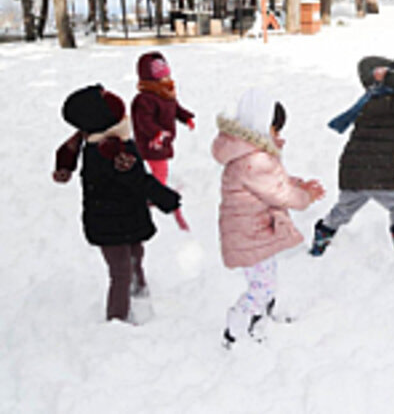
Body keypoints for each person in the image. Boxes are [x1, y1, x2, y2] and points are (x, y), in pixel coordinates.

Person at [53, 84, 181, 323]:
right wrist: (165, 198)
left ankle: (140, 295)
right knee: (121, 270)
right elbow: (138, 179)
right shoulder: (111, 150)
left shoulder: (103, 139)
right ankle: (117, 320)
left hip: (124, 215)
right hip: (109, 222)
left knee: (135, 255)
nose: (125, 116)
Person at [212, 88, 325, 347]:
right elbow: (279, 193)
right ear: (261, 125)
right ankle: (235, 328)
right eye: (276, 130)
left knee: (266, 282)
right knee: (260, 288)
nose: (278, 136)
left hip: (254, 231)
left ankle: (257, 322)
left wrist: (300, 185)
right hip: (249, 235)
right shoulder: (253, 160)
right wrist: (304, 196)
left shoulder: (250, 155)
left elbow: (275, 183)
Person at [310, 56, 394, 256]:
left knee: (343, 210)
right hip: (380, 174)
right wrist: (391, 77)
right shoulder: (392, 103)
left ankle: (322, 237)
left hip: (354, 170)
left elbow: (383, 138)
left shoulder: (368, 104)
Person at [131, 51, 194, 230]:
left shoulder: (165, 93)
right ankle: (154, 196)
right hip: (151, 142)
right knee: (159, 169)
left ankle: (152, 189)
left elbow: (175, 108)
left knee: (157, 168)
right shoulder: (145, 99)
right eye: (161, 76)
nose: (166, 78)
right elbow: (144, 121)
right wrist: (156, 133)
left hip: (163, 140)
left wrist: (186, 117)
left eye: (167, 74)